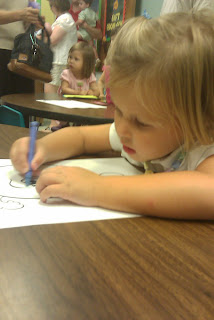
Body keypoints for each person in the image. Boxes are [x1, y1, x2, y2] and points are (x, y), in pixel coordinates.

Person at [10, 10, 214, 220]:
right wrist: (42, 148)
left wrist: (96, 188)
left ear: (199, 120)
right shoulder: (130, 132)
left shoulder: (201, 148)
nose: (122, 128)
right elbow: (81, 138)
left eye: (142, 123)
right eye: (119, 110)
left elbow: (208, 192)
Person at [51, 41, 100, 131]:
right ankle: (63, 125)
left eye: (76, 59)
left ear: (86, 63)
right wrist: (79, 93)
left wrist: (91, 92)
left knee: (87, 114)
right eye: (70, 57)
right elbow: (64, 89)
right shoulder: (67, 73)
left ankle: (79, 126)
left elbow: (97, 91)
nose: (71, 61)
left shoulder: (89, 76)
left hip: (82, 105)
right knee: (65, 115)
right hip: (67, 103)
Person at [44, 0, 77, 129]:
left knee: (52, 94)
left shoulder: (65, 19)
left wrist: (45, 30)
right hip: (57, 61)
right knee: (53, 94)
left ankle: (55, 124)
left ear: (54, 6)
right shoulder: (63, 19)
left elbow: (52, 40)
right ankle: (58, 124)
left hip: (59, 62)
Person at [0, 1, 40, 98]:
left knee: (24, 101)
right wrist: (19, 14)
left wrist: (33, 22)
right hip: (2, 49)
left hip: (22, 52)